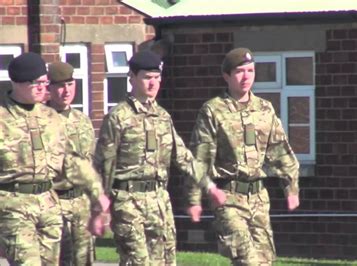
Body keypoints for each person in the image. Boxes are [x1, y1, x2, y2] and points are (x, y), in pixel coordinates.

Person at [94, 50, 226, 266]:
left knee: (165, 262)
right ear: (132, 78)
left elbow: (183, 157)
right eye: (147, 77)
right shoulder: (118, 117)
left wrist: (210, 187)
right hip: (128, 202)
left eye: (157, 78)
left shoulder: (163, 117)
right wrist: (100, 207)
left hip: (159, 201)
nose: (153, 83)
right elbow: (103, 164)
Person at [186, 47, 300, 266]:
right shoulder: (213, 110)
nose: (246, 77)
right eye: (240, 71)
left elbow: (281, 151)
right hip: (228, 197)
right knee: (247, 261)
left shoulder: (264, 109)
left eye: (250, 70)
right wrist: (194, 199)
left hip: (259, 198)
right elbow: (200, 157)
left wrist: (291, 188)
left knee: (264, 261)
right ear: (226, 76)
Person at [0, 53, 108, 265]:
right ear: (16, 83)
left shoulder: (51, 117)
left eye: (44, 82)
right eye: (36, 83)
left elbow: (70, 160)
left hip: (49, 207)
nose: (42, 88)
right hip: (14, 206)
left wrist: (98, 193)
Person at [47, 61, 108, 265]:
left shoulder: (83, 121)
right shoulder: (43, 120)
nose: (66, 91)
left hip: (81, 204)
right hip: (55, 202)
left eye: (71, 84)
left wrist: (96, 207)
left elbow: (91, 163)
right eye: (61, 86)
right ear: (50, 88)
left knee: (84, 260)